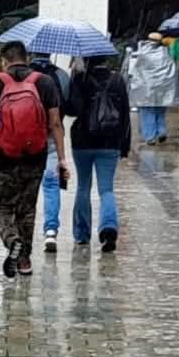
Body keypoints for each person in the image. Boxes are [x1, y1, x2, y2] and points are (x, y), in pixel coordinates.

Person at [0, 42, 70, 278]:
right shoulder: (44, 82)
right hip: (35, 155)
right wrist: (62, 158)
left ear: (5, 61)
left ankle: (11, 239)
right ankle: (25, 260)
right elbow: (55, 123)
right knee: (26, 210)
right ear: (26, 58)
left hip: (3, 156)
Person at [66, 55, 133, 252]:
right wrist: (125, 144)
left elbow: (72, 110)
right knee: (106, 189)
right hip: (110, 141)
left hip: (82, 141)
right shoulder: (117, 79)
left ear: (87, 60)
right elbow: (125, 113)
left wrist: (74, 78)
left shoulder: (80, 79)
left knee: (83, 186)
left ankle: (81, 234)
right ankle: (109, 228)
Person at [29, 52, 72, 252]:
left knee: (26, 184)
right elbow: (69, 107)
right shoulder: (61, 75)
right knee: (51, 184)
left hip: (25, 137)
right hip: (52, 136)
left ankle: (23, 230)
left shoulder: (22, 75)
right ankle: (50, 232)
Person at [124, 33, 177, 146]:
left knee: (147, 112)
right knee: (160, 111)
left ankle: (150, 136)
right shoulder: (166, 53)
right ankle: (161, 131)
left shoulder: (141, 52)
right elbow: (171, 69)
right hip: (162, 89)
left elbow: (132, 70)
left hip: (145, 88)